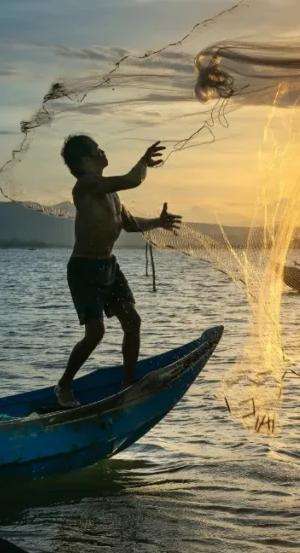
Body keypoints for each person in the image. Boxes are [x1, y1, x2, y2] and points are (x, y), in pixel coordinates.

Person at [54, 134, 182, 408]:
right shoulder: (86, 185)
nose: (103, 151)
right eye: (98, 149)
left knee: (132, 322)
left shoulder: (111, 192)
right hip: (85, 268)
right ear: (85, 160)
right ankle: (64, 385)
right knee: (96, 332)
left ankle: (128, 383)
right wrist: (144, 162)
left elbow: (130, 225)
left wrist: (158, 222)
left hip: (108, 265)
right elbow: (132, 179)